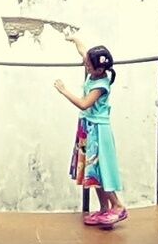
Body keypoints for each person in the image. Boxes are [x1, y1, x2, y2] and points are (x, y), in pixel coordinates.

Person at [53, 41, 126, 229]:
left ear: (100, 68)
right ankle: (103, 208)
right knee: (92, 171)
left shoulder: (101, 84)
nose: (85, 66)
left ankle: (117, 205)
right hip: (88, 127)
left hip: (98, 130)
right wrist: (74, 39)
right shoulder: (95, 71)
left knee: (100, 169)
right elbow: (84, 53)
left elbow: (85, 104)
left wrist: (64, 90)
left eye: (88, 65)